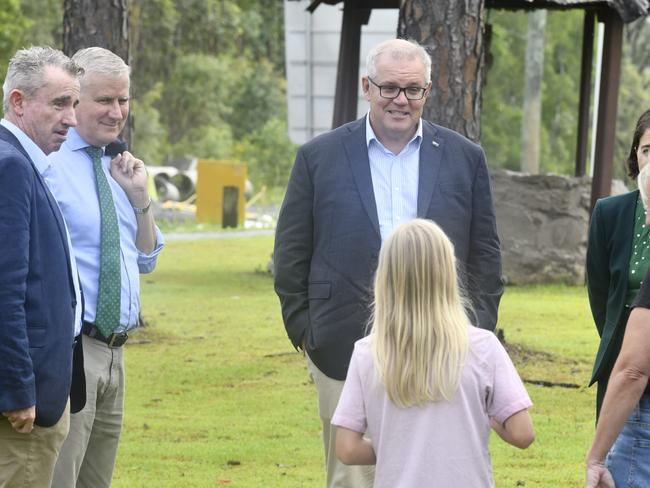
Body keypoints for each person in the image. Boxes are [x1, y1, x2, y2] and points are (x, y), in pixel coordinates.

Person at [274, 38, 504, 487]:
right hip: (341, 344)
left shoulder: (464, 158)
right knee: (353, 473)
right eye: (390, 88)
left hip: (445, 350)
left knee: (436, 467)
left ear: (428, 91)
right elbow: (290, 255)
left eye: (413, 89)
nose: (401, 100)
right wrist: (306, 332)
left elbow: (486, 257)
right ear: (367, 87)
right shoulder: (318, 158)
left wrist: (475, 331)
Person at [331, 219, 534, 487]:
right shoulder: (483, 347)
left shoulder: (367, 353)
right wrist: (492, 419)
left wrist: (396, 450)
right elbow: (523, 434)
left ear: (385, 276)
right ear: (448, 273)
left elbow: (347, 448)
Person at [46, 47, 164, 488]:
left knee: (97, 481)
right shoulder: (50, 164)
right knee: (61, 477)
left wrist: (139, 199)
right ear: (75, 101)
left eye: (124, 100)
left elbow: (147, 259)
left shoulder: (121, 164)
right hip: (76, 349)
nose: (118, 112)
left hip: (117, 353)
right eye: (105, 101)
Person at [0, 46, 85, 488]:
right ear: (18, 101)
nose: (72, 118)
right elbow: (5, 291)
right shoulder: (11, 167)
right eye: (59, 104)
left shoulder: (26, 164)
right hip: (23, 412)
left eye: (73, 104)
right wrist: (17, 391)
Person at [586, 169, 650, 486]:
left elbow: (633, 371)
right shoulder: (609, 213)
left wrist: (596, 457)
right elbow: (599, 291)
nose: (646, 221)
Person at [587, 109, 650, 419]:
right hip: (621, 350)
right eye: (647, 150)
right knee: (614, 454)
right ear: (635, 155)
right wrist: (620, 337)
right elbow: (599, 292)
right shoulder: (609, 213)